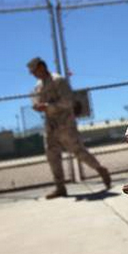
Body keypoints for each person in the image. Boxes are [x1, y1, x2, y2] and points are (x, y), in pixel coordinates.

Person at [27, 57, 111, 199]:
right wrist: (37, 106)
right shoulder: (38, 86)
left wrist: (48, 106)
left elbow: (68, 101)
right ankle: (60, 187)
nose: (33, 74)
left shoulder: (58, 80)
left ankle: (100, 169)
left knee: (78, 151)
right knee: (52, 154)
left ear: (41, 67)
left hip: (65, 124)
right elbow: (37, 101)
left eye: (34, 70)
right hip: (50, 125)